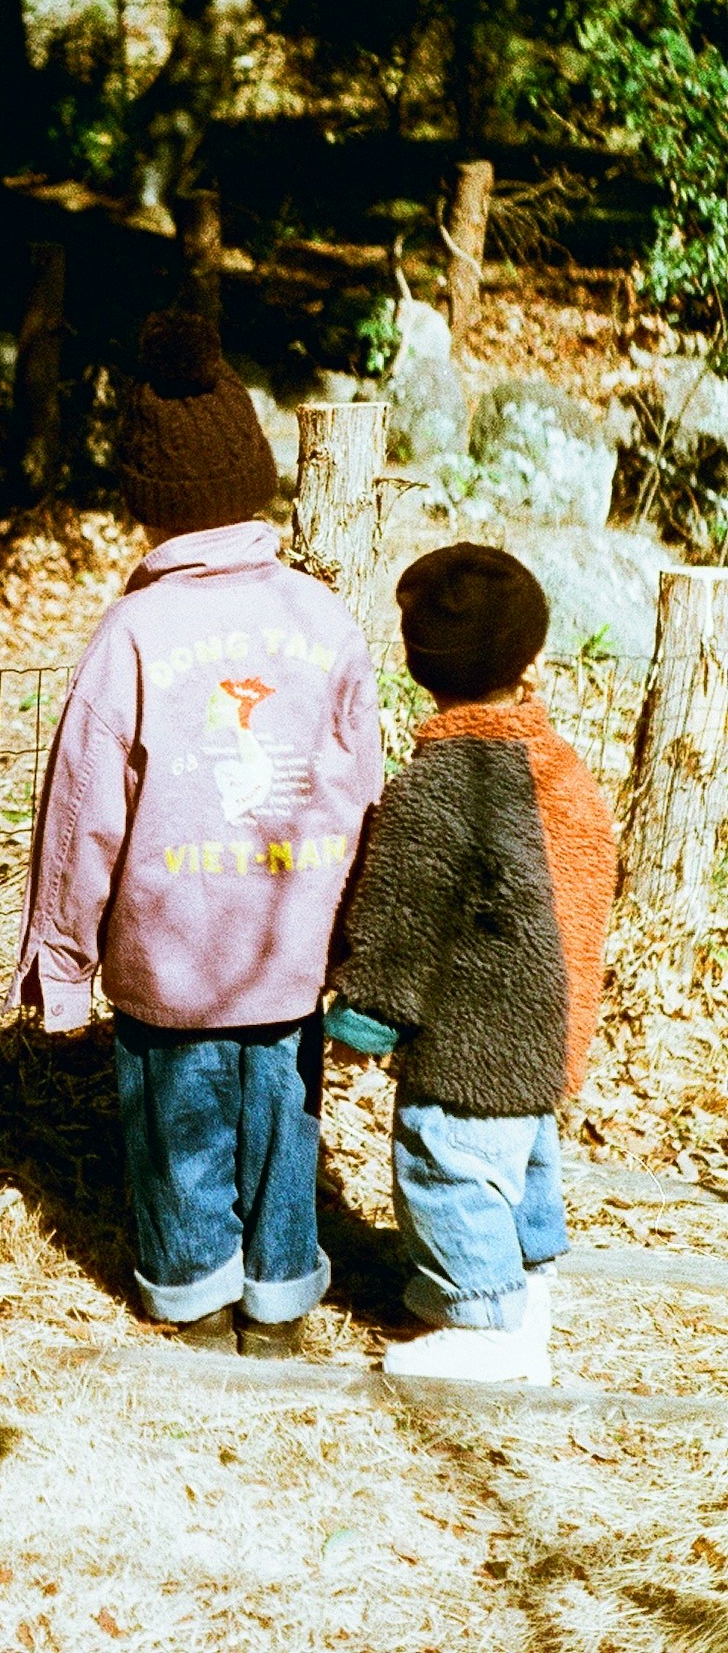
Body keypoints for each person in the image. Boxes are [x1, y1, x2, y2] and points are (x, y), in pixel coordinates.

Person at [7, 311, 383, 1356]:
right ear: (256, 477)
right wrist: (357, 942)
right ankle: (280, 1296)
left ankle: (193, 1295)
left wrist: (65, 967)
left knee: (180, 1141)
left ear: (146, 504)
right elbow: (366, 794)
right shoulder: (325, 621)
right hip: (292, 954)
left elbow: (81, 817)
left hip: (169, 963)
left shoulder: (129, 634)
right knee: (283, 1127)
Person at [325, 543, 617, 1385]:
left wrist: (367, 1016)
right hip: (550, 1018)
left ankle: (481, 1318)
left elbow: (404, 915)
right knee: (521, 1156)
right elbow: (591, 863)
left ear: (420, 667)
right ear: (530, 659)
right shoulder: (556, 761)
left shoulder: (438, 782)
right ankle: (524, 1284)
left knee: (446, 1158)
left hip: (477, 1032)